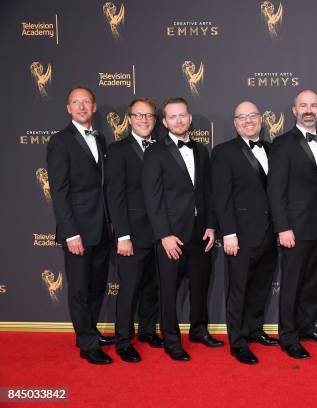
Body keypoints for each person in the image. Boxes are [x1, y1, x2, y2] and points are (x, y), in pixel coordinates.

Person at [142, 97, 221, 362]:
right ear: (164, 122)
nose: (178, 120)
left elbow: (209, 192)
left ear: (189, 118)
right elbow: (152, 198)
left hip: (200, 234)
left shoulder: (201, 150)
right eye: (172, 117)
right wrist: (164, 234)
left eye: (182, 115)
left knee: (200, 287)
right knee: (168, 292)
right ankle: (172, 341)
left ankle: (199, 331)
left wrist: (211, 225)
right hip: (171, 236)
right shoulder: (154, 152)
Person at [47, 85, 114, 364]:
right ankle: (86, 344)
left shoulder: (100, 139)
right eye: (76, 102)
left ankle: (91, 330)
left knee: (97, 286)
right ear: (68, 108)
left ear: (94, 107)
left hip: (101, 228)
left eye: (86, 102)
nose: (82, 107)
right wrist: (71, 232)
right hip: (77, 230)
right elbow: (59, 192)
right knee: (78, 288)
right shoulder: (60, 141)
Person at [267, 90, 317, 360]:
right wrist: (283, 227)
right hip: (294, 228)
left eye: (314, 105)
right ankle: (289, 336)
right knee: (292, 283)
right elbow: (275, 190)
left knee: (313, 281)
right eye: (303, 105)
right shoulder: (283, 144)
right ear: (294, 111)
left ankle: (307, 327)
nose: (309, 110)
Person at [211, 101, 279, 365]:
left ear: (261, 119)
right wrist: (228, 233)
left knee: (260, 287)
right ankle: (237, 342)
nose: (248, 121)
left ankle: (254, 330)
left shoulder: (273, 150)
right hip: (239, 235)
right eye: (242, 117)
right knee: (238, 290)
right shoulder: (223, 152)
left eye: (253, 116)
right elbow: (222, 197)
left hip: (269, 233)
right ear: (235, 122)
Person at [105, 97, 163, 362]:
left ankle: (148, 330)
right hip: (132, 234)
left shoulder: (162, 148)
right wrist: (123, 235)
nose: (144, 120)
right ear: (129, 119)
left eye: (149, 115)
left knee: (152, 286)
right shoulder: (118, 150)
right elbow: (115, 196)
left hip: (160, 233)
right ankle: (123, 340)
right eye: (139, 115)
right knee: (129, 288)